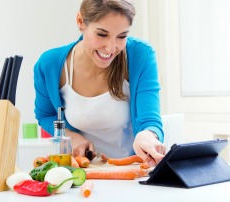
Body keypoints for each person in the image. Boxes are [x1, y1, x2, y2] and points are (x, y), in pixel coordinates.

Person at [34, 0, 166, 167]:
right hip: (85, 171)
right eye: (102, 34)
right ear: (81, 22)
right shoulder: (50, 64)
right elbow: (45, 115)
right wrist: (71, 137)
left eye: (122, 36)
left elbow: (149, 119)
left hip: (134, 170)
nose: (111, 48)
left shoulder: (141, 55)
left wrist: (148, 135)